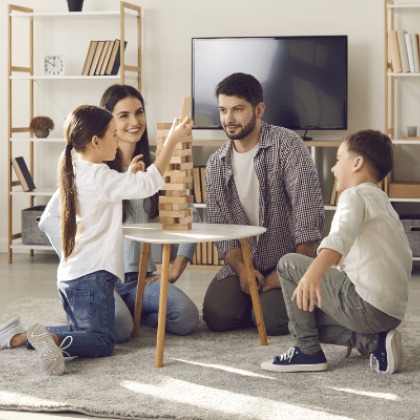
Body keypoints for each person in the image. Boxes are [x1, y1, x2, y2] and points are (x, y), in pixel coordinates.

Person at [0, 104, 193, 375]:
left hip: (70, 278)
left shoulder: (76, 171)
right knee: (103, 341)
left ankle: (21, 336)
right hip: (93, 279)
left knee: (84, 332)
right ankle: (47, 339)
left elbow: (105, 196)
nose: (118, 140)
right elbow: (149, 184)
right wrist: (172, 140)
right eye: (113, 134)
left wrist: (127, 178)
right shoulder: (102, 176)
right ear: (95, 141)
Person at [38, 85, 200, 342]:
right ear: (104, 125)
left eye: (139, 112)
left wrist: (176, 267)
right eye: (123, 116)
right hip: (102, 277)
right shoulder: (94, 171)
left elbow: (190, 212)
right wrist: (82, 265)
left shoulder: (154, 163)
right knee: (119, 331)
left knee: (186, 317)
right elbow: (50, 220)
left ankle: (133, 315)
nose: (134, 122)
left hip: (142, 280)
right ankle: (111, 317)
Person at [260, 129, 412, 374]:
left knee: (288, 264)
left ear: (357, 163)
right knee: (302, 317)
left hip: (368, 308)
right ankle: (374, 342)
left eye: (339, 159)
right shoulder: (382, 201)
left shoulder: (354, 195)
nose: (333, 168)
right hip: (389, 313)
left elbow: (338, 240)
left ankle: (306, 351)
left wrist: (311, 274)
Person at [203, 72, 325, 336]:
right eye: (223, 110)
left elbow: (308, 218)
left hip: (288, 260)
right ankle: (253, 300)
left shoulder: (288, 145)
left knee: (273, 322)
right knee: (217, 316)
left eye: (238, 109)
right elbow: (221, 230)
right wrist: (243, 270)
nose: (229, 119)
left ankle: (293, 296)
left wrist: (287, 274)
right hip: (244, 263)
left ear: (259, 109)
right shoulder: (215, 163)